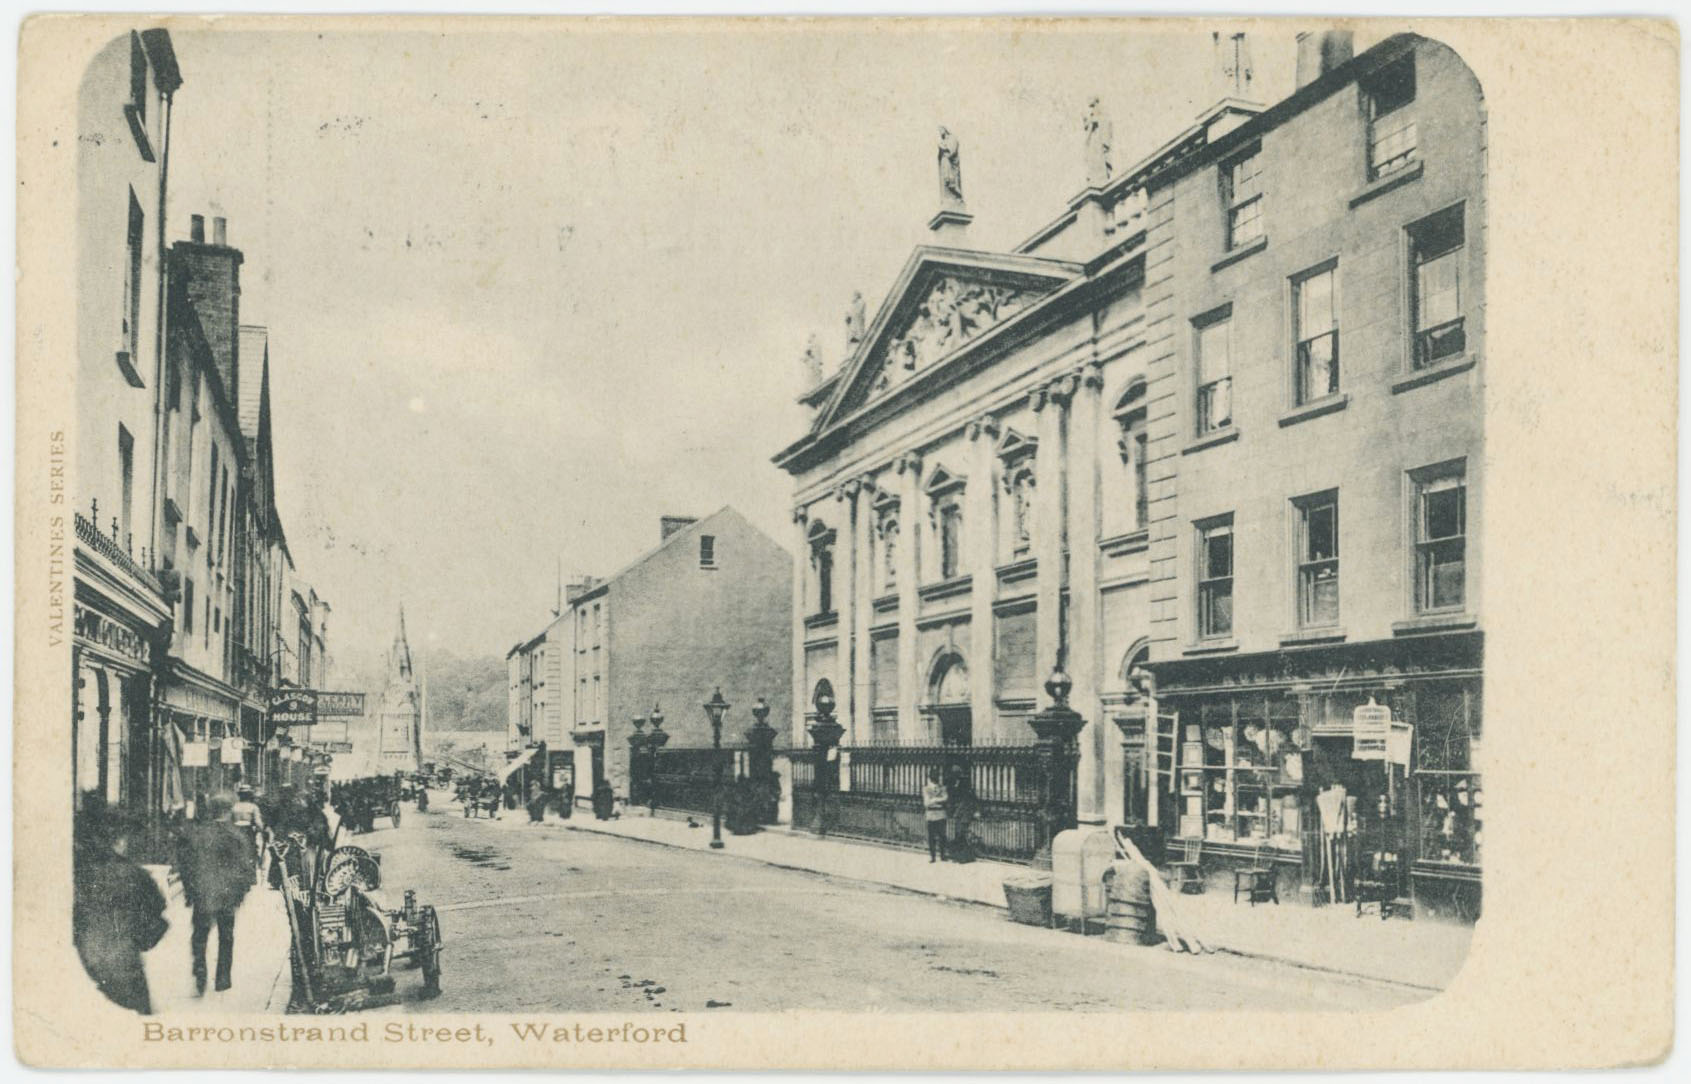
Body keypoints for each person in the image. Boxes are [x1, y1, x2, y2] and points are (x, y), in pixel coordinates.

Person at [73, 800, 168, 1014]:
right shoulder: (133, 874)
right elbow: (156, 917)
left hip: (82, 966)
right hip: (123, 965)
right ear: (120, 840)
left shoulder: (75, 873)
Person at [178, 794, 255, 995]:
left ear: (211, 811)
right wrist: (242, 892)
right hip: (227, 895)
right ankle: (222, 978)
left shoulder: (198, 834)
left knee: (200, 934)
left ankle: (200, 968)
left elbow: (186, 865)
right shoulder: (236, 835)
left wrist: (189, 890)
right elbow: (246, 867)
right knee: (226, 936)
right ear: (228, 811)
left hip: (203, 892)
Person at [230, 784, 265, 875]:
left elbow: (230, 821)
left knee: (237, 853)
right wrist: (263, 831)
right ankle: (250, 874)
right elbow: (258, 823)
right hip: (248, 832)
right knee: (251, 852)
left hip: (236, 832)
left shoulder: (234, 807)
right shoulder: (253, 807)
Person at [922, 768, 949, 863]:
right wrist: (938, 799)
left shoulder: (942, 788)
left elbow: (945, 798)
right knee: (931, 837)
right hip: (931, 814)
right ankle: (932, 856)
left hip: (941, 814)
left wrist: (934, 800)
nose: (936, 778)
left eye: (937, 776)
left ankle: (942, 855)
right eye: (934, 776)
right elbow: (926, 803)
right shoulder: (926, 788)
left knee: (942, 836)